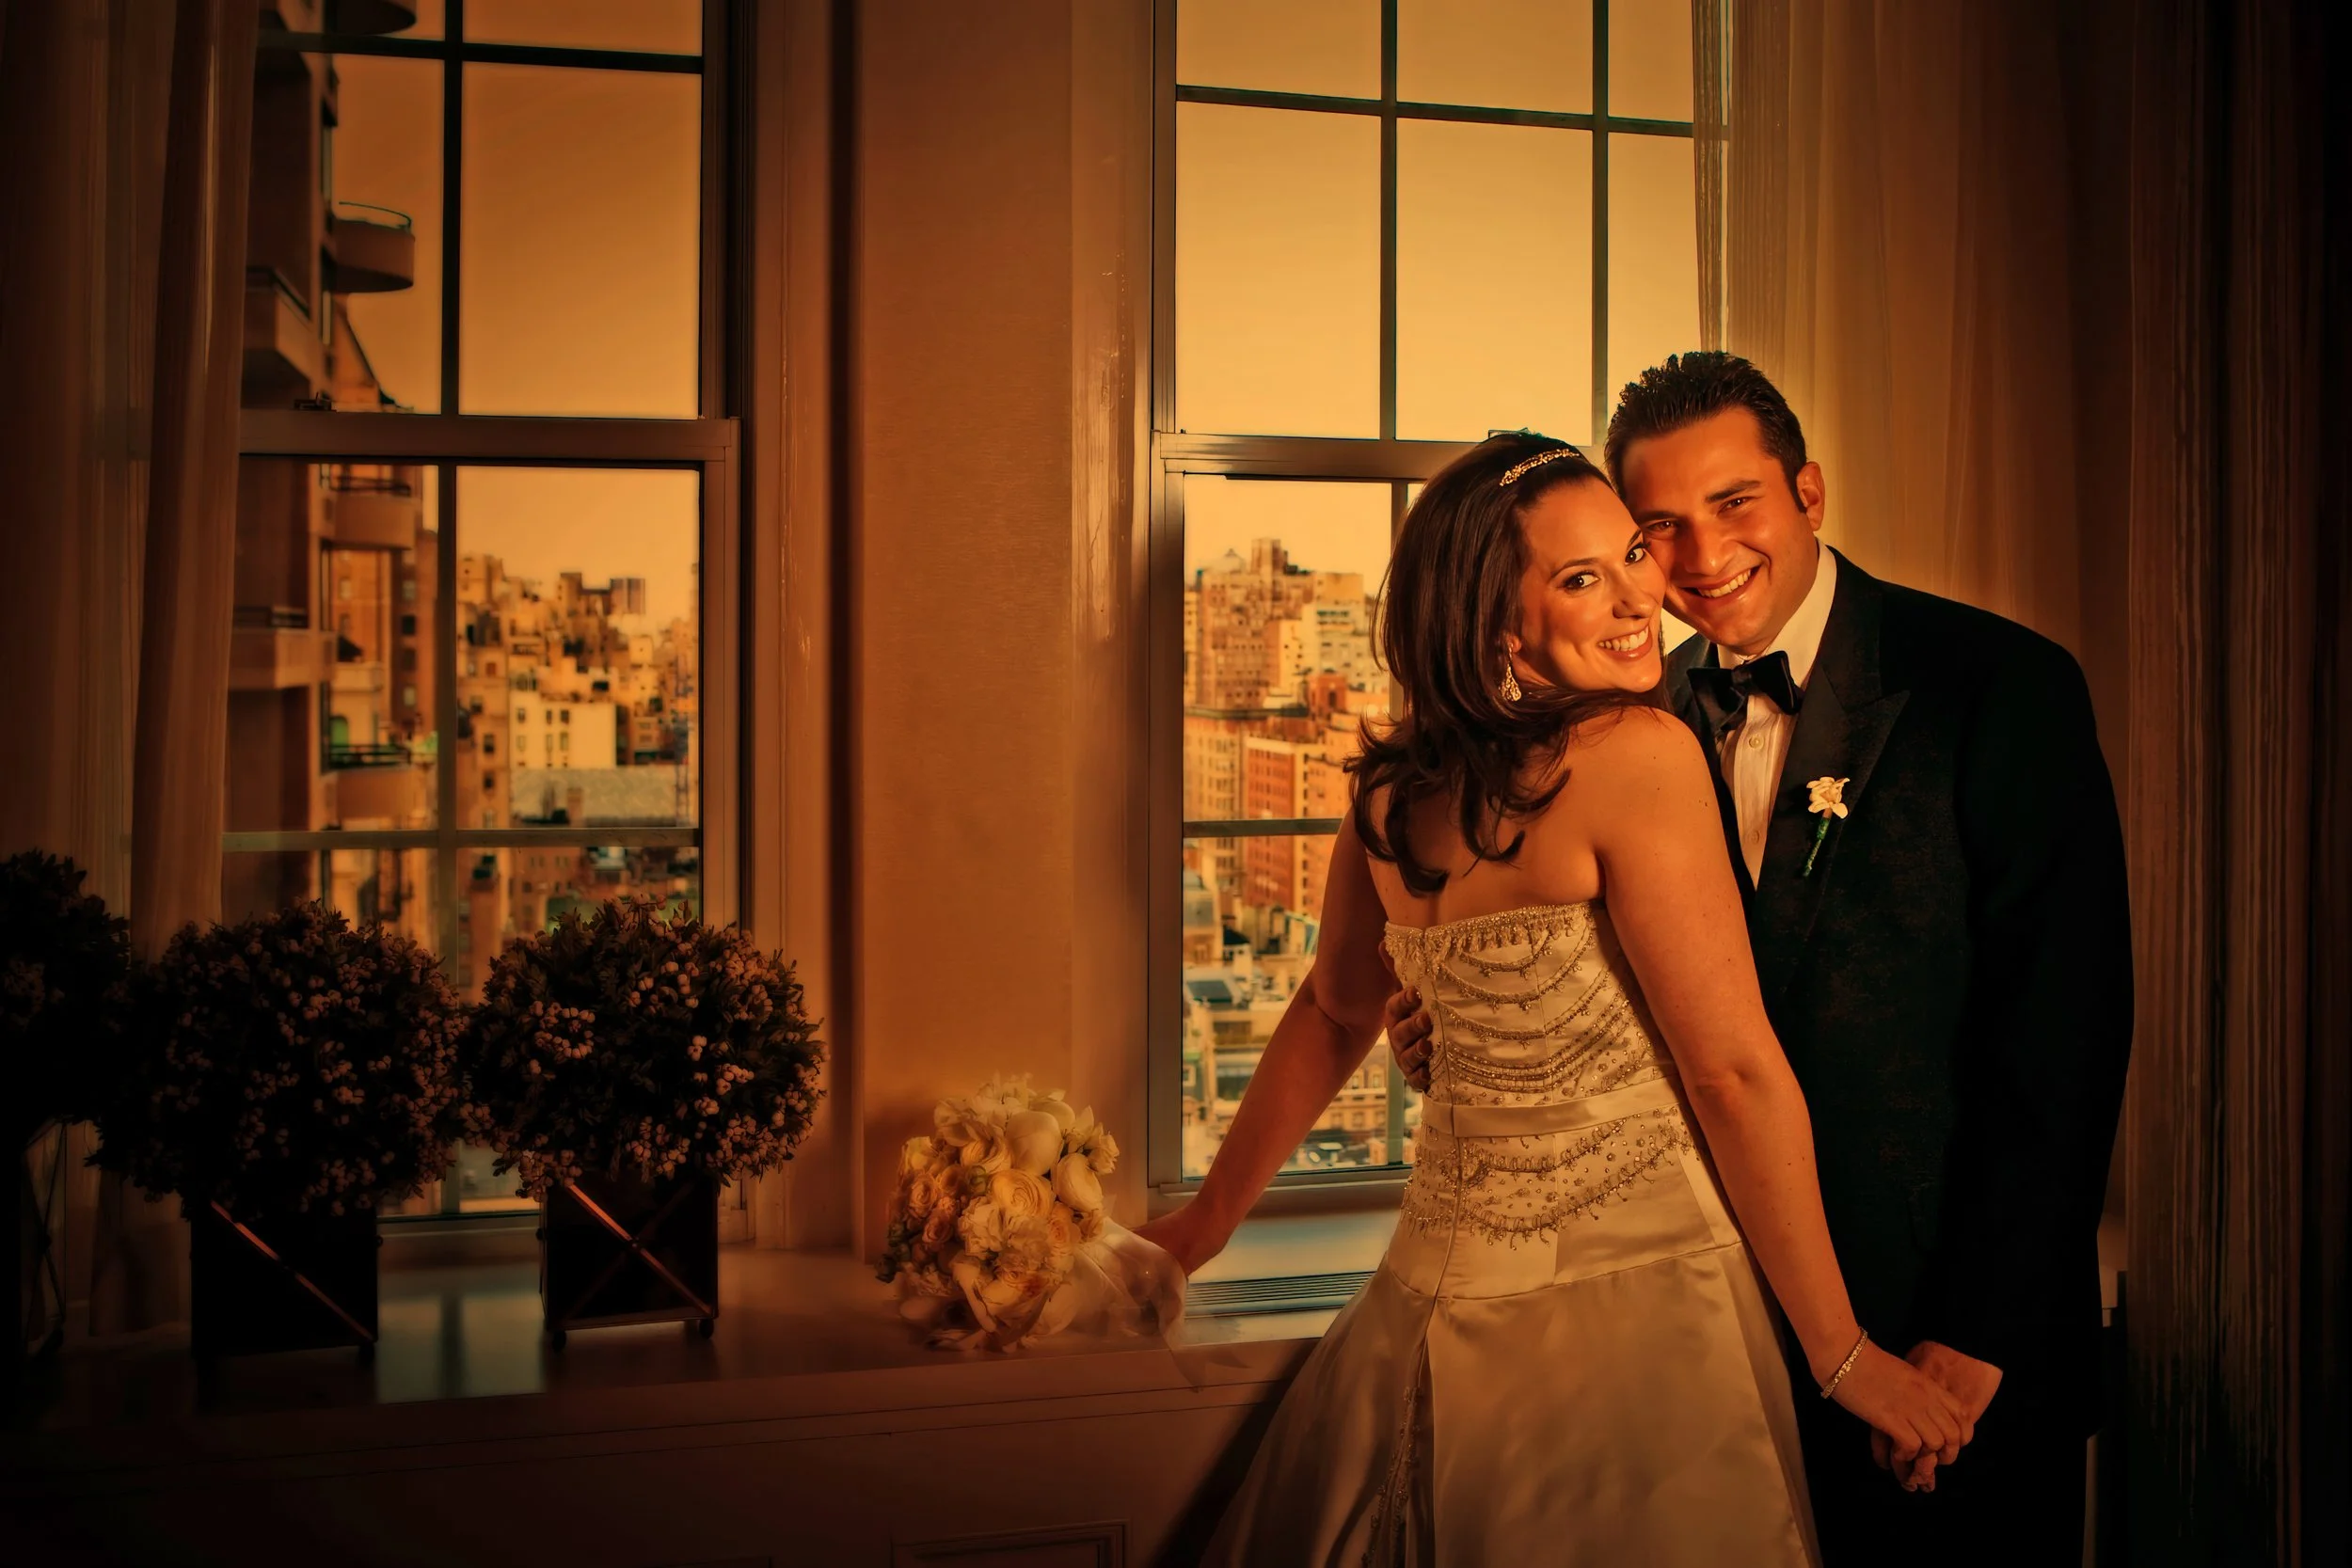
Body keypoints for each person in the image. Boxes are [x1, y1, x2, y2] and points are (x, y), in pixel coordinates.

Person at [1138, 432, 1972, 1566]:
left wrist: (1200, 1226)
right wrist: (1841, 1357)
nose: (1645, 598)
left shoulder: (1389, 791)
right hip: (1637, 1315)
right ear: (1498, 627)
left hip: (1422, 1297)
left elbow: (1334, 1011)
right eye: (1584, 578)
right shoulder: (1637, 750)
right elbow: (1727, 1071)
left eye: (1631, 554)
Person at [1385, 353, 2132, 1566]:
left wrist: (1975, 1331)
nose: (1694, 557)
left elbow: (2063, 1035)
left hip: (1951, 1345)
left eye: (1735, 503)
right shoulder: (1624, 710)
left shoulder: (1999, 686)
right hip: (1721, 1347)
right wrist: (1455, 1027)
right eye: (1656, 528)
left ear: (1809, 492)